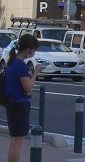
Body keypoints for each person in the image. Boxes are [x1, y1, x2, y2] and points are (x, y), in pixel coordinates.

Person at [4, 34, 39, 162]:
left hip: (12, 104)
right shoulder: (21, 65)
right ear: (28, 49)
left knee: (14, 140)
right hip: (19, 105)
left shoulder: (12, 62)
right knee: (17, 141)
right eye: (34, 49)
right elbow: (28, 88)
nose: (34, 52)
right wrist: (36, 72)